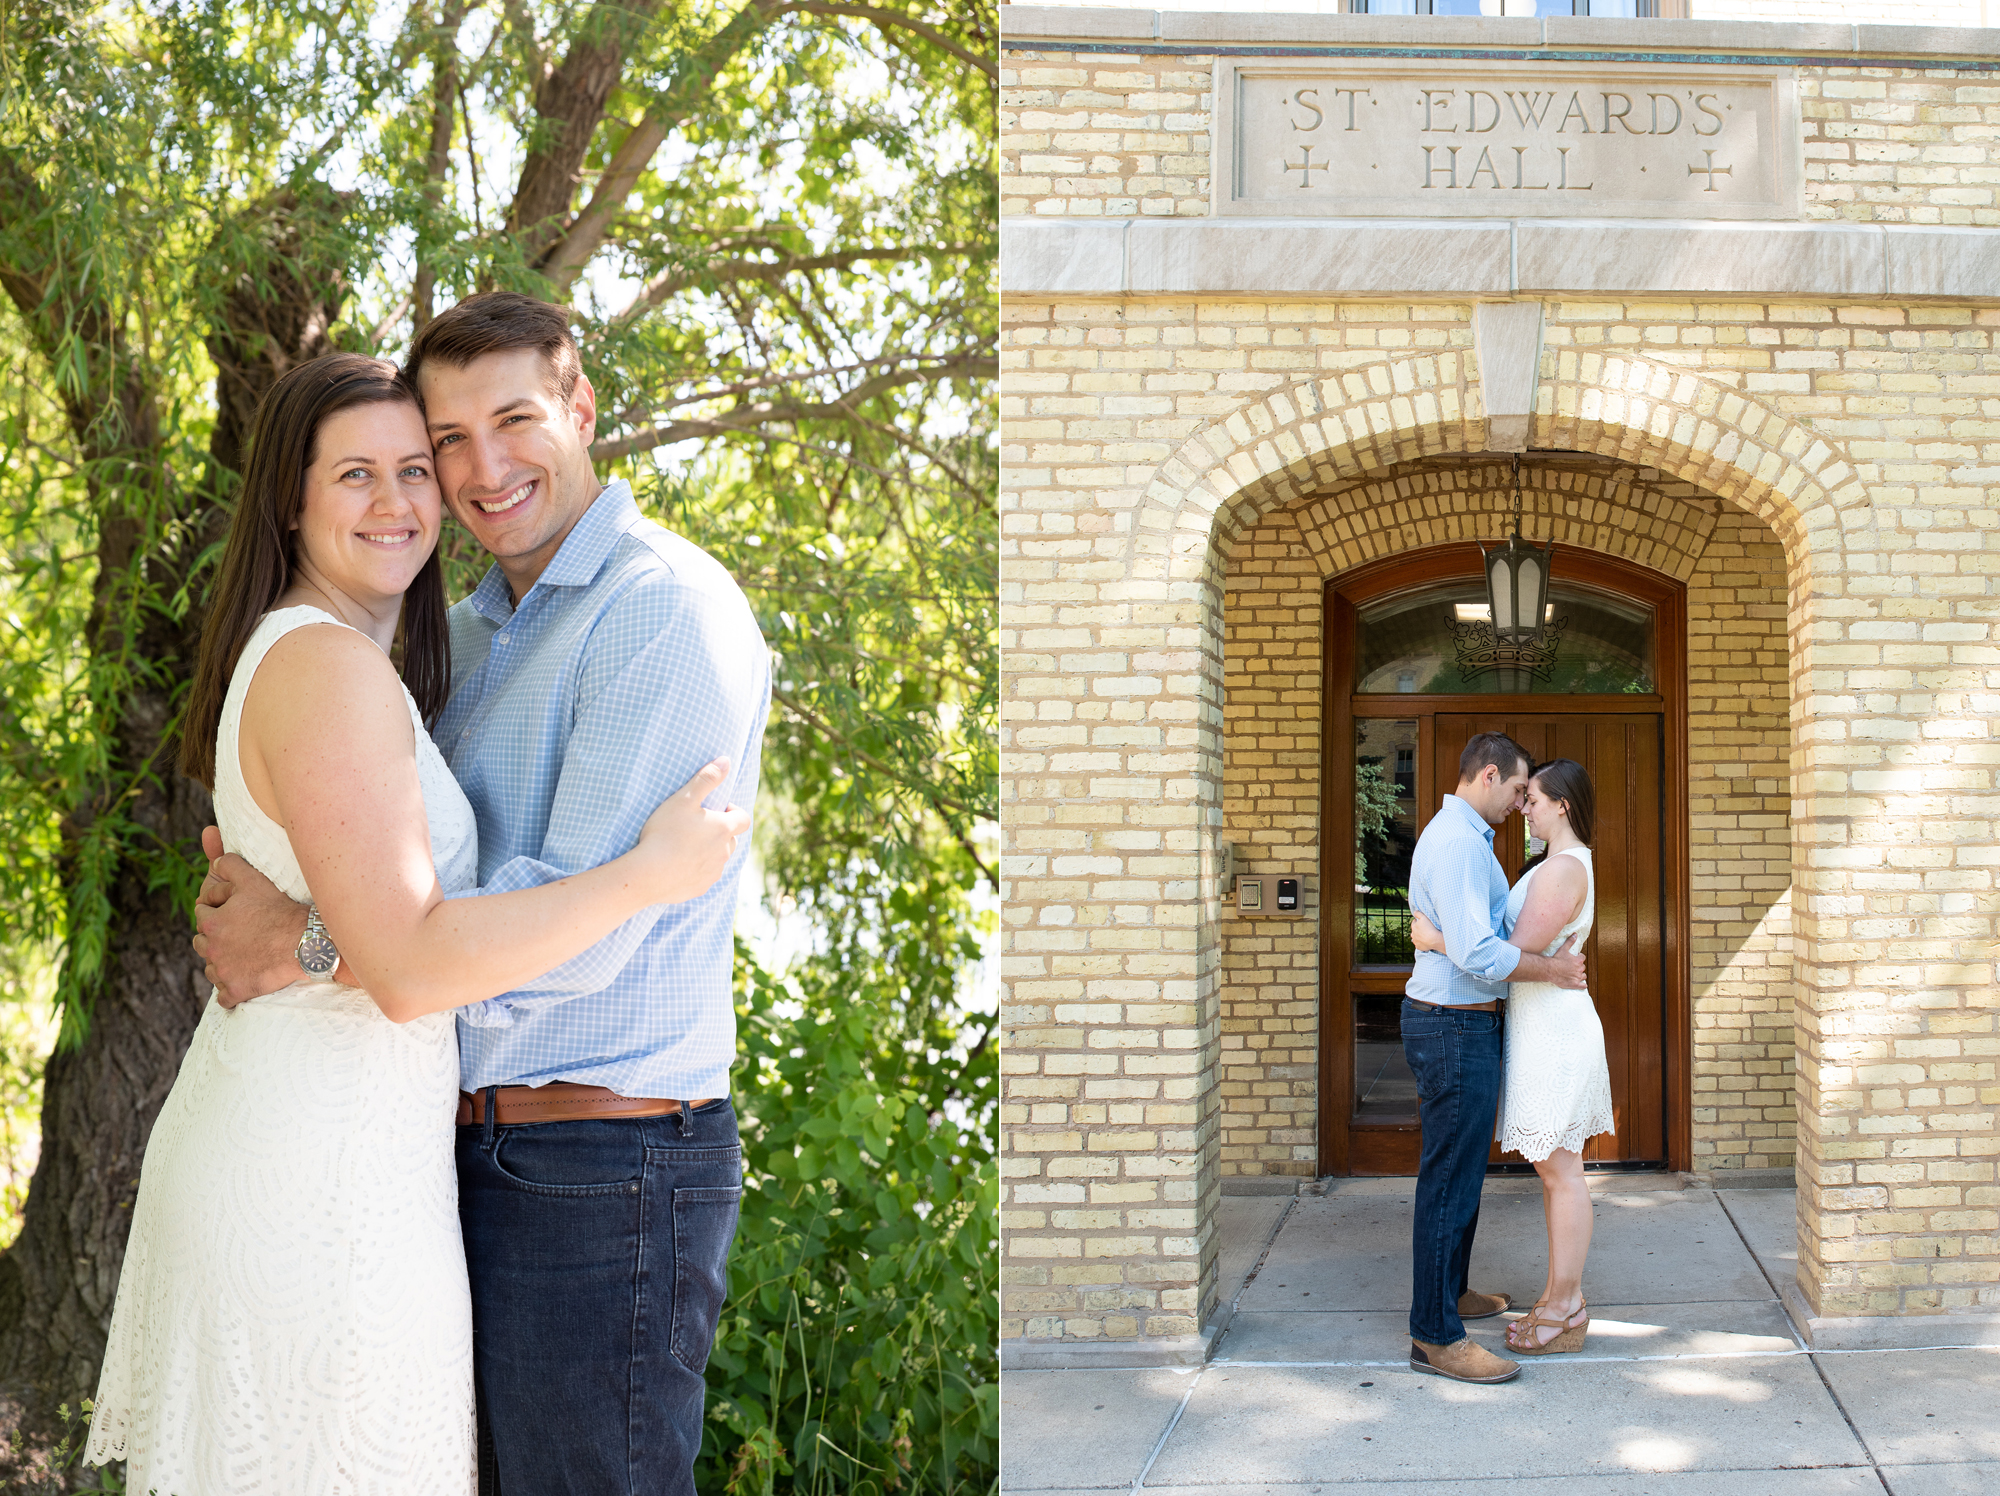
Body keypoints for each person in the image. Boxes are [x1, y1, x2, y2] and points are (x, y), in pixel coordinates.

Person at [84, 351, 749, 1494]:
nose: (404, 498)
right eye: (358, 473)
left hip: (539, 1152)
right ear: (289, 501)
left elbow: (413, 940)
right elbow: (407, 953)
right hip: (338, 1173)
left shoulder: (635, 613)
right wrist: (642, 873)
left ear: (581, 409)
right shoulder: (351, 661)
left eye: (411, 467)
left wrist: (312, 936)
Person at [1400, 732, 1587, 1386]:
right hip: (1451, 1025)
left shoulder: (1465, 840)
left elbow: (1465, 942)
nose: (1518, 804)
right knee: (1448, 1182)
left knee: (1458, 1177)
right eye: (1515, 790)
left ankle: (1449, 1295)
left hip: (1460, 1023)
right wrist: (1554, 968)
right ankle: (1435, 1336)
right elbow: (1482, 955)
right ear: (1487, 775)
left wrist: (1435, 937)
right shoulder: (1456, 844)